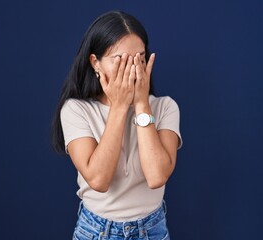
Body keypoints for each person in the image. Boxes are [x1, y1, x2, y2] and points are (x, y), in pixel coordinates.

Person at [52, 10, 182, 240]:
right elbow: (98, 180)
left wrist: (142, 104)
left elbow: (156, 176)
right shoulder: (76, 110)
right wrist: (119, 107)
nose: (132, 69)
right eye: (120, 60)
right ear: (96, 63)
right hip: (96, 231)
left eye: (139, 58)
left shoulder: (165, 107)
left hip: (152, 230)